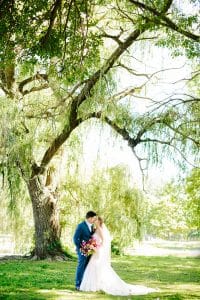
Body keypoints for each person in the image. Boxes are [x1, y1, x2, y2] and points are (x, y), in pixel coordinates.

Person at [80, 216, 158, 296]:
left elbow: (104, 241)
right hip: (95, 251)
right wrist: (90, 246)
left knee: (96, 266)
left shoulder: (100, 229)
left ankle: (97, 285)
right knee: (93, 266)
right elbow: (94, 240)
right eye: (94, 220)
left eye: (96, 220)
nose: (94, 221)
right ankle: (95, 285)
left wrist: (95, 248)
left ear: (99, 222)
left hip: (98, 251)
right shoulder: (95, 229)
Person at [73, 211, 97, 290]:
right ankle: (78, 284)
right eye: (94, 218)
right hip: (82, 250)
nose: (95, 220)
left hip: (90, 251)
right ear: (89, 218)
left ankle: (84, 284)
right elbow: (75, 238)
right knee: (81, 266)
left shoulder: (92, 226)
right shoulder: (81, 226)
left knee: (87, 267)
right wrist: (81, 248)